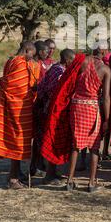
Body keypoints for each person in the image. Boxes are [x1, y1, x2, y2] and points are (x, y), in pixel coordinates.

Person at [0, 41, 40, 189]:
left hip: (14, 107)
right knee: (17, 141)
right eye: (32, 54)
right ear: (27, 50)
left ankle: (15, 175)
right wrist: (35, 88)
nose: (32, 58)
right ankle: (13, 179)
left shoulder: (11, 60)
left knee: (15, 141)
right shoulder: (20, 64)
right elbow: (17, 87)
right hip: (17, 107)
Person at [66, 48, 111, 192]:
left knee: (75, 145)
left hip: (76, 106)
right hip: (92, 108)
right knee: (94, 146)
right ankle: (91, 183)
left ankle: (69, 181)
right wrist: (107, 119)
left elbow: (69, 82)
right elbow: (106, 98)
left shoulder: (82, 61)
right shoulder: (105, 69)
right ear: (104, 51)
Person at [31, 49, 76, 181]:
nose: (73, 64)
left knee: (49, 140)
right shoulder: (60, 72)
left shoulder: (54, 68)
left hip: (47, 108)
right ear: (67, 60)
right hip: (52, 111)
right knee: (53, 140)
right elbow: (56, 93)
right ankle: (49, 173)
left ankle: (49, 170)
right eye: (72, 61)